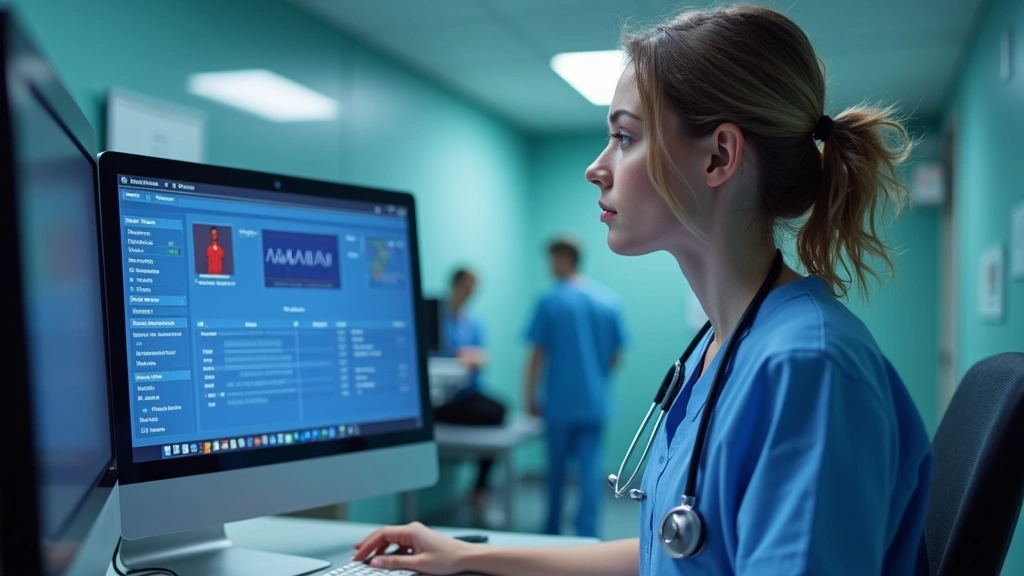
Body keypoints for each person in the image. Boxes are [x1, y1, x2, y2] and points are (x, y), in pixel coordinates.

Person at [351, 5, 932, 575]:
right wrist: (471, 557)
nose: (595, 168)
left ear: (718, 156)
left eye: (625, 138)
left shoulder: (808, 369)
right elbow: (678, 551)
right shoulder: (722, 348)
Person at [525, 236, 626, 537]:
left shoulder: (550, 301)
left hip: (559, 403)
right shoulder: (608, 301)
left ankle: (552, 532)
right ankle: (587, 534)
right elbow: (615, 357)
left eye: (553, 259)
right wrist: (593, 379)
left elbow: (537, 355)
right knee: (589, 471)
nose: (550, 267)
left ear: (564, 259)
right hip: (594, 402)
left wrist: (530, 396)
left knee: (555, 472)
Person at [433, 268, 506, 518]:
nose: (470, 292)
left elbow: (481, 357)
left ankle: (480, 490)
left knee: (499, 409)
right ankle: (479, 491)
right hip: (444, 397)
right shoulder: (436, 318)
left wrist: (470, 358)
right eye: (467, 286)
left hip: (467, 394)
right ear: (454, 285)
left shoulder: (472, 320)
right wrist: (460, 356)